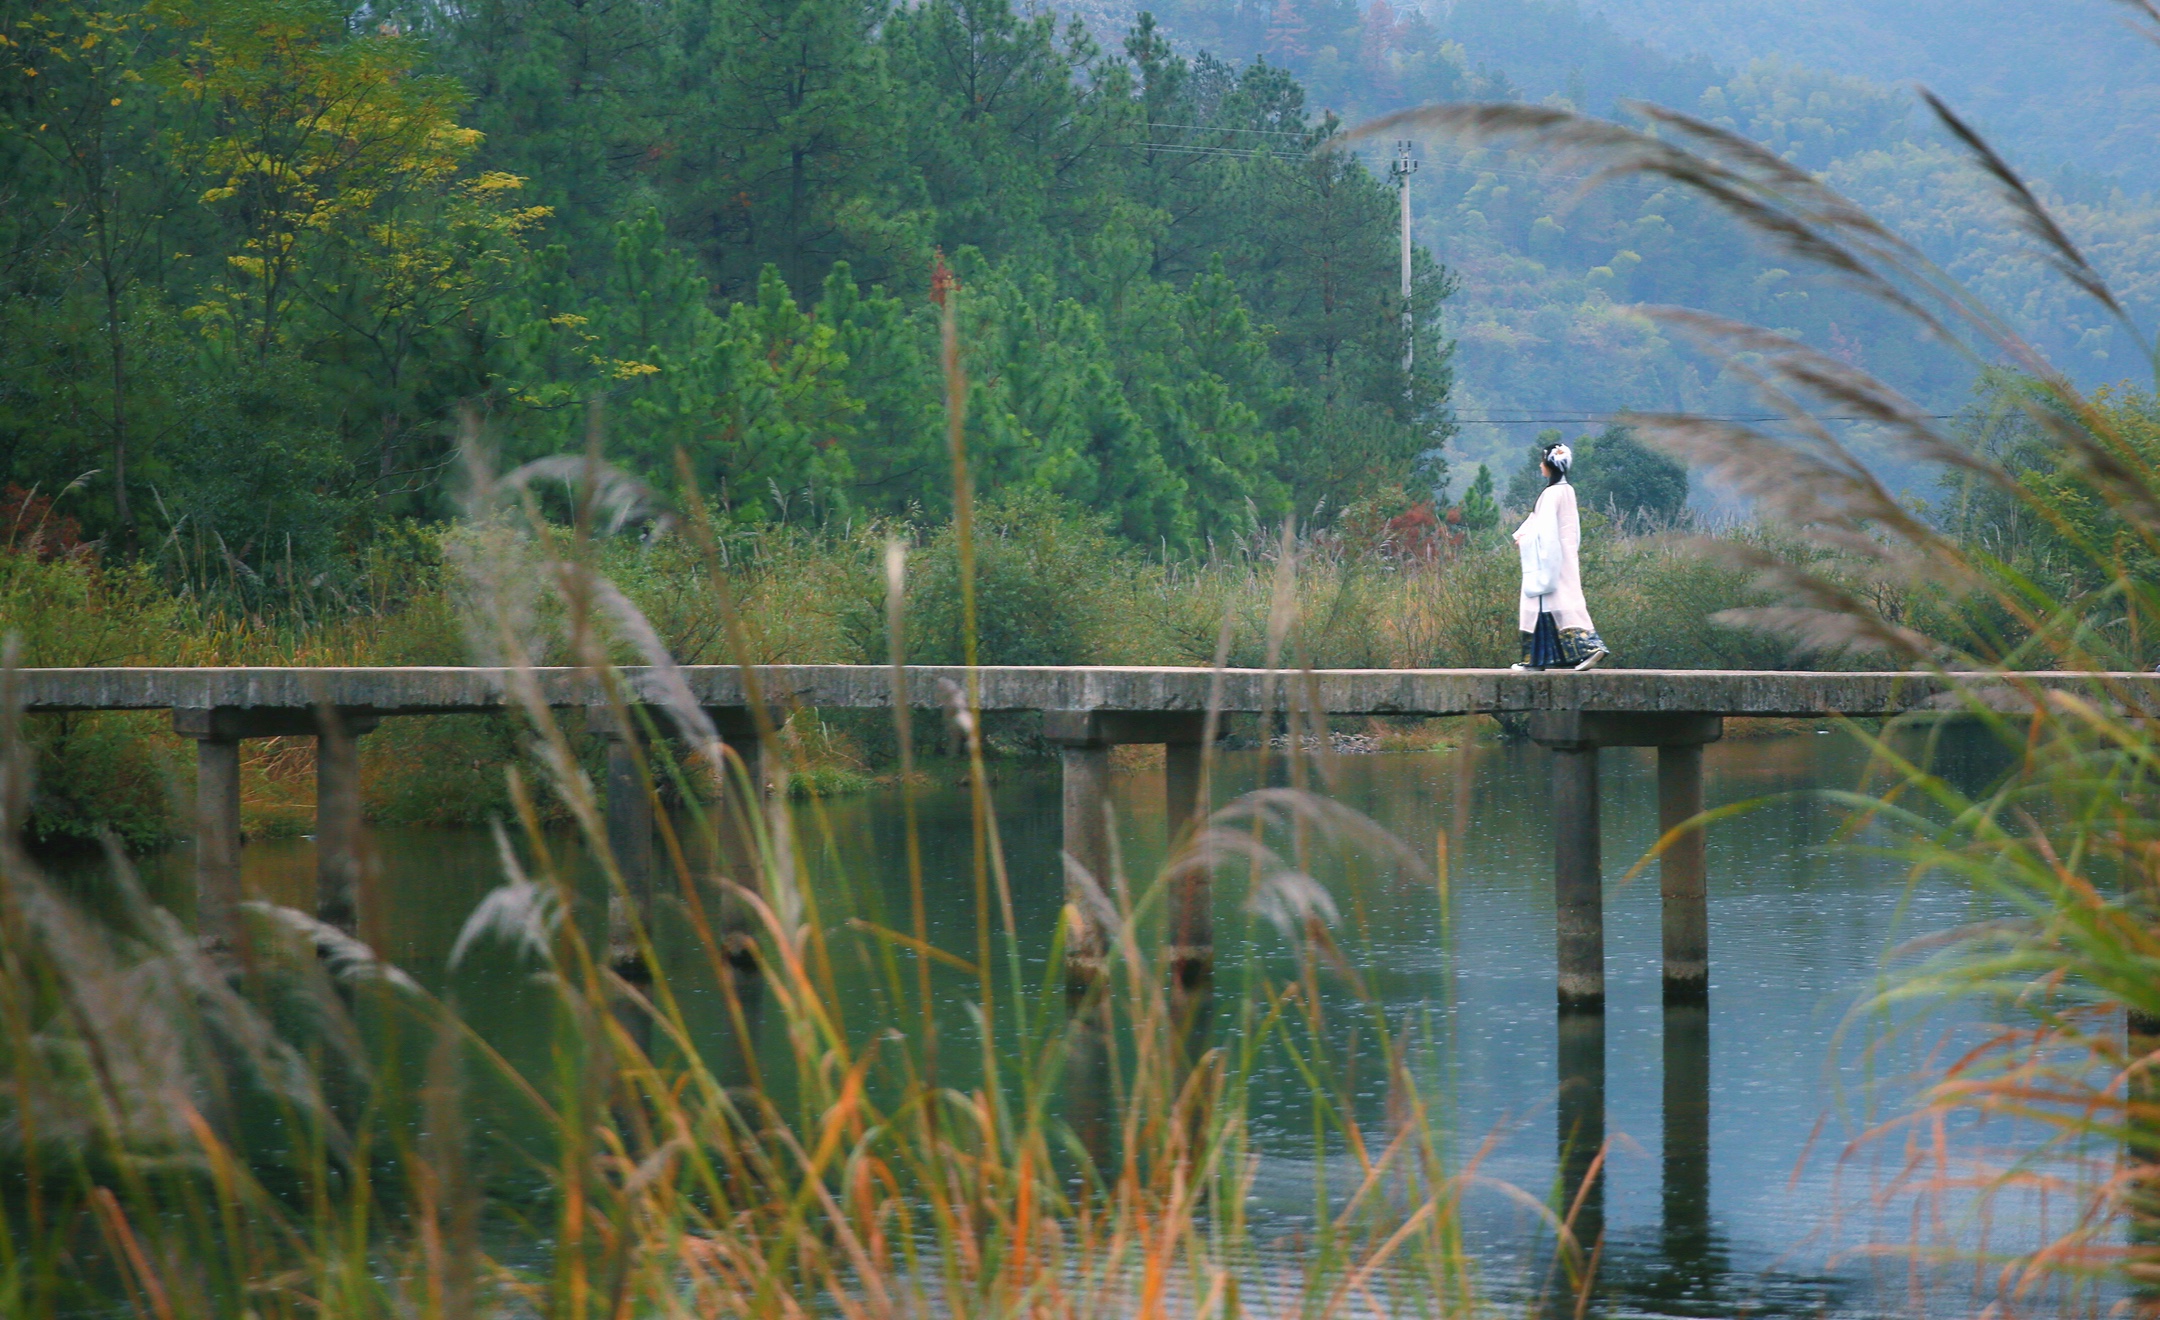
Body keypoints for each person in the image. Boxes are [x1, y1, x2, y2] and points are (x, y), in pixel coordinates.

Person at [1510, 442, 1610, 671]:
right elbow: (1570, 528)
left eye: (1542, 461)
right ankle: (1576, 653)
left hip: (1548, 561)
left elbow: (1543, 530)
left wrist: (1523, 540)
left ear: (1549, 465)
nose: (1540, 465)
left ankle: (1540, 660)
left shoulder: (1550, 494)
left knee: (1539, 607)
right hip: (1565, 558)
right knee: (1567, 603)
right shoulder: (1568, 491)